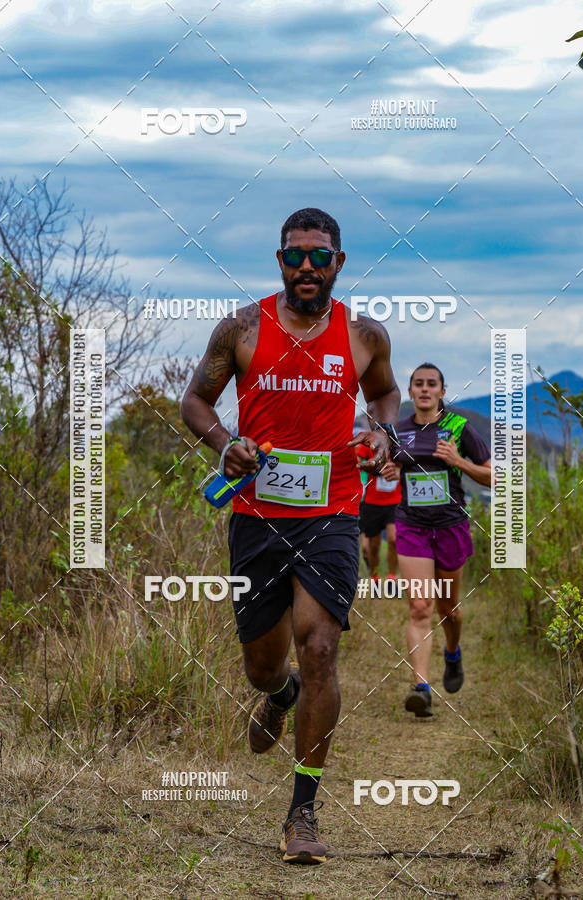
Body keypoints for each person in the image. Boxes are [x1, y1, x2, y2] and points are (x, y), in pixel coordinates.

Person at [181, 208, 401, 863]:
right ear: (279, 261)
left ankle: (302, 812)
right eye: (295, 255)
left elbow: (385, 396)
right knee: (262, 666)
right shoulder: (242, 329)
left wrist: (382, 432)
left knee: (321, 647)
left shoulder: (364, 336)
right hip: (258, 515)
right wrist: (226, 443)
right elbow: (195, 401)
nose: (307, 266)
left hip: (334, 511)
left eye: (320, 256)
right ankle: (280, 696)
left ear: (339, 262)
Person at [380, 363, 491, 718]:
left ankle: (453, 653)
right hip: (411, 526)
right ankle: (421, 689)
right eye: (418, 384)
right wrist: (389, 469)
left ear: (442, 391)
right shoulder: (398, 432)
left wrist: (459, 461)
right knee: (419, 607)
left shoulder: (459, 427)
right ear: (410, 391)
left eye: (432, 384)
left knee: (449, 610)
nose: (425, 389)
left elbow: (493, 476)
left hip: (450, 527)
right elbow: (390, 467)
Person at [357, 443, 401, 582]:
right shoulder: (371, 441)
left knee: (393, 539)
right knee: (374, 546)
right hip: (372, 502)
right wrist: (374, 468)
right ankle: (375, 577)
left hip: (395, 500)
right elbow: (357, 461)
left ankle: (391, 578)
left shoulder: (400, 440)